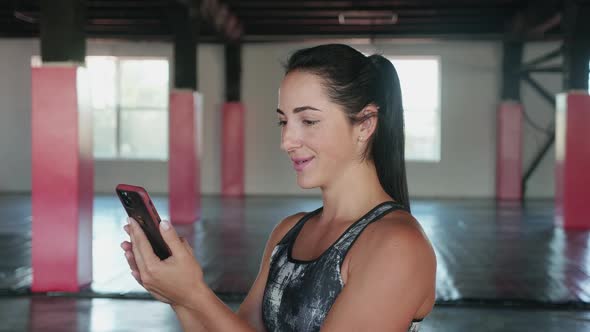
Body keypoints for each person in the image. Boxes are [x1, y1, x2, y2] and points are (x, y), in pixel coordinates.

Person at [121, 44, 436, 332]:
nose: (286, 141)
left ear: (366, 124)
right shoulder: (288, 232)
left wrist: (194, 292)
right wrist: (179, 295)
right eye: (283, 121)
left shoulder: (397, 246)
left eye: (308, 121)